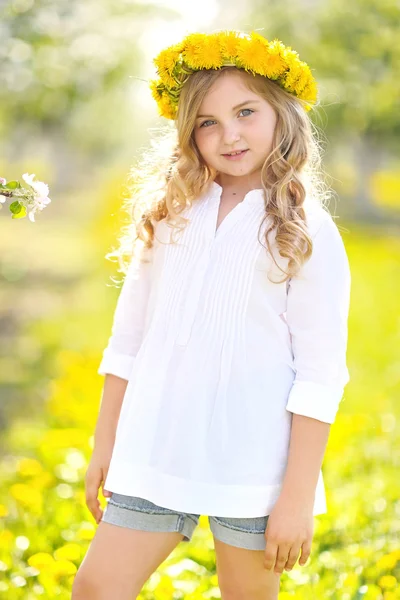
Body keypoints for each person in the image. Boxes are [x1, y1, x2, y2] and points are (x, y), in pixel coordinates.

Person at [72, 30, 351, 600]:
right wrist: (107, 444)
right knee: (96, 589)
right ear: (188, 132)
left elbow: (320, 375)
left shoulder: (308, 230)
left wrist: (296, 497)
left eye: (246, 112)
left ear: (280, 114)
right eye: (207, 121)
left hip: (256, 463)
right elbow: (127, 340)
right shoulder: (169, 215)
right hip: (156, 443)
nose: (230, 135)